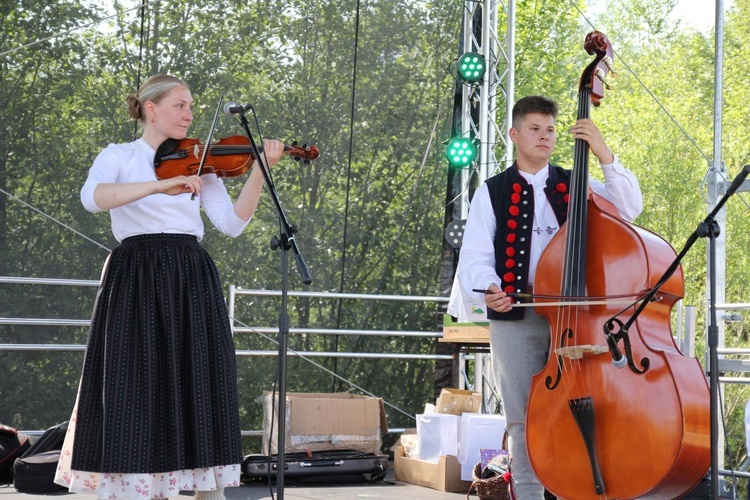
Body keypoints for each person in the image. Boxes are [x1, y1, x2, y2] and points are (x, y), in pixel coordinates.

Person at [53, 74, 284, 499]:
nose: (190, 115)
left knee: (198, 377)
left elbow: (231, 225)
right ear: (150, 108)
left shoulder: (198, 161)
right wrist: (162, 184)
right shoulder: (118, 155)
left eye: (191, 106)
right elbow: (94, 197)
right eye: (180, 105)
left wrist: (260, 172)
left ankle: (204, 487)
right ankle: (136, 484)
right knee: (133, 382)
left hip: (189, 275)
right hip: (135, 275)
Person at [457, 95, 642, 499]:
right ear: (514, 134)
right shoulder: (491, 191)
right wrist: (491, 288)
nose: (545, 137)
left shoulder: (579, 183)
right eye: (535, 129)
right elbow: (474, 256)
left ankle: (576, 490)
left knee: (580, 409)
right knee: (522, 417)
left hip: (577, 319)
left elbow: (630, 209)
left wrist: (604, 152)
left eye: (551, 130)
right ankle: (527, 494)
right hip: (517, 319)